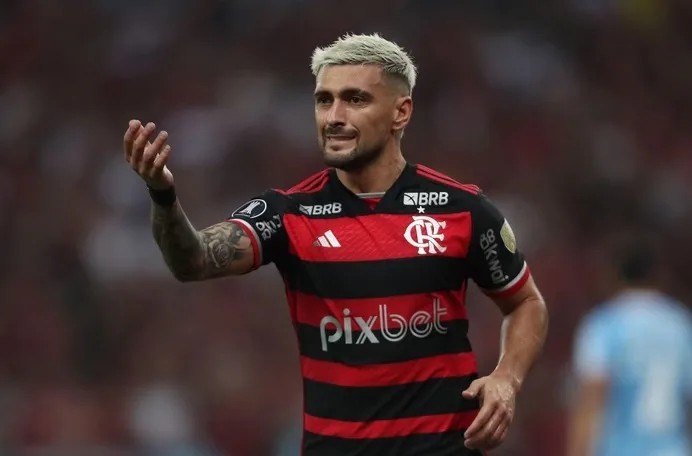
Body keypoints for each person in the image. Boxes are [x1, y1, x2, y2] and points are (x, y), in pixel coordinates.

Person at [123, 33, 549, 456]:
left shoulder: (461, 209)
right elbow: (193, 260)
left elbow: (526, 303)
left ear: (400, 112)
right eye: (324, 100)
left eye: (355, 99)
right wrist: (163, 195)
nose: (333, 116)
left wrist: (506, 379)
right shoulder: (290, 213)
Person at [567, 239, 692, 456]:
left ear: (614, 275)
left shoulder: (605, 325)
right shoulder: (680, 324)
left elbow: (593, 397)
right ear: (659, 275)